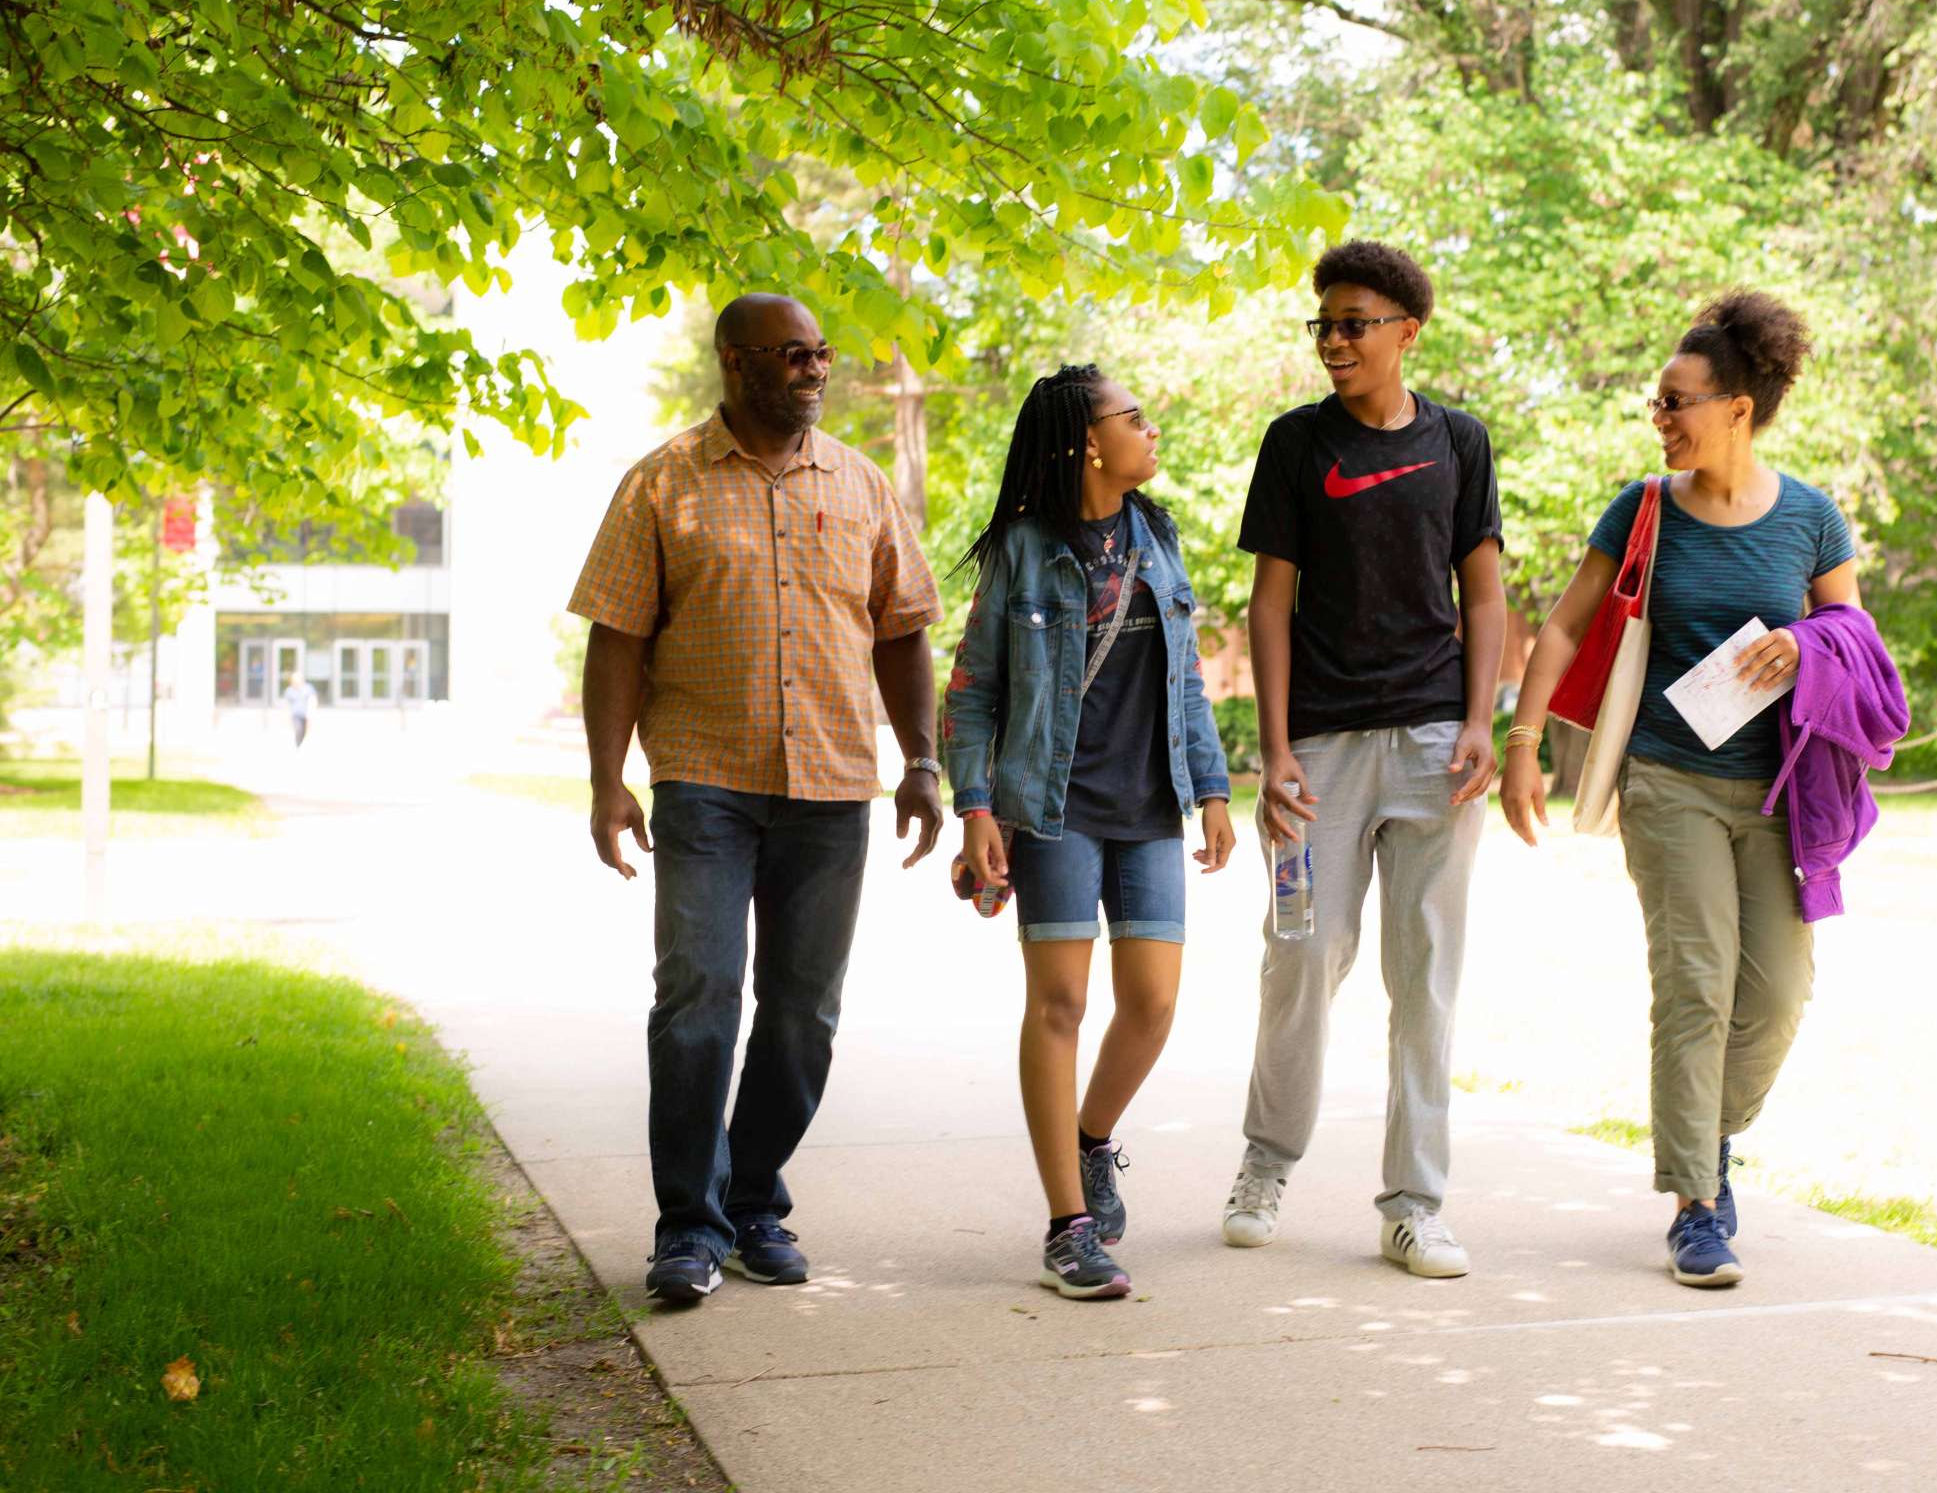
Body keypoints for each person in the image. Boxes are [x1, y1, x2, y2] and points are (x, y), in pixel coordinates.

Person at [569, 294, 946, 1306]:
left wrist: (922, 761)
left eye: (824, 350)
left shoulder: (860, 483)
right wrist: (609, 780)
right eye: (795, 353)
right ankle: (688, 1226)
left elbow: (903, 629)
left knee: (803, 1015)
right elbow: (617, 637)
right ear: (736, 363)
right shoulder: (663, 482)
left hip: (830, 785)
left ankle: (751, 1201)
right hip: (705, 780)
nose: (817, 367)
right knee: (697, 998)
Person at [1498, 290, 1863, 1289]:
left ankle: (1708, 1136)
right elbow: (1566, 625)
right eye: (1656, 402)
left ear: (1738, 406)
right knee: (1695, 984)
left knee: (1779, 994)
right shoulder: (1645, 509)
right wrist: (1524, 739)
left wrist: (1805, 641)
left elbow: (1857, 644)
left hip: (1778, 789)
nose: (1661, 418)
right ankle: (1697, 1201)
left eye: (1678, 401)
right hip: (1668, 781)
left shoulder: (1811, 518)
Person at [1221, 240, 1505, 1279]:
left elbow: (1485, 594)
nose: (1335, 341)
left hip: (1437, 741)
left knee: (1426, 976)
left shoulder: (1461, 442)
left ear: (1406, 333)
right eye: (1325, 325)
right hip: (1324, 749)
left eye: (1354, 324)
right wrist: (1275, 749)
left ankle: (1415, 1203)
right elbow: (1270, 602)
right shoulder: (1295, 443)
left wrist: (1484, 720)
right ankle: (1266, 1160)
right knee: (1301, 950)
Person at [942, 366, 1237, 1302]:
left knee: (1151, 1005)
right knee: (1060, 1006)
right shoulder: (1022, 553)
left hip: (1150, 806)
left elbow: (1187, 679)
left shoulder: (1157, 539)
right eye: (1134, 416)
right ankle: (1068, 1227)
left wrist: (1216, 788)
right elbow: (973, 692)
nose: (1152, 429)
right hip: (1054, 807)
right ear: (1086, 442)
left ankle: (1090, 1138)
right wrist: (977, 806)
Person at [283, 669, 316, 748]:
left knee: (304, 732)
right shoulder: (289, 690)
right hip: (295, 715)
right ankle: (298, 745)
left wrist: (311, 715)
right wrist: (286, 717)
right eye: (294, 679)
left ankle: (301, 745)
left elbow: (312, 701)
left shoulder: (308, 689)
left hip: (305, 715)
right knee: (298, 730)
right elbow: (286, 705)